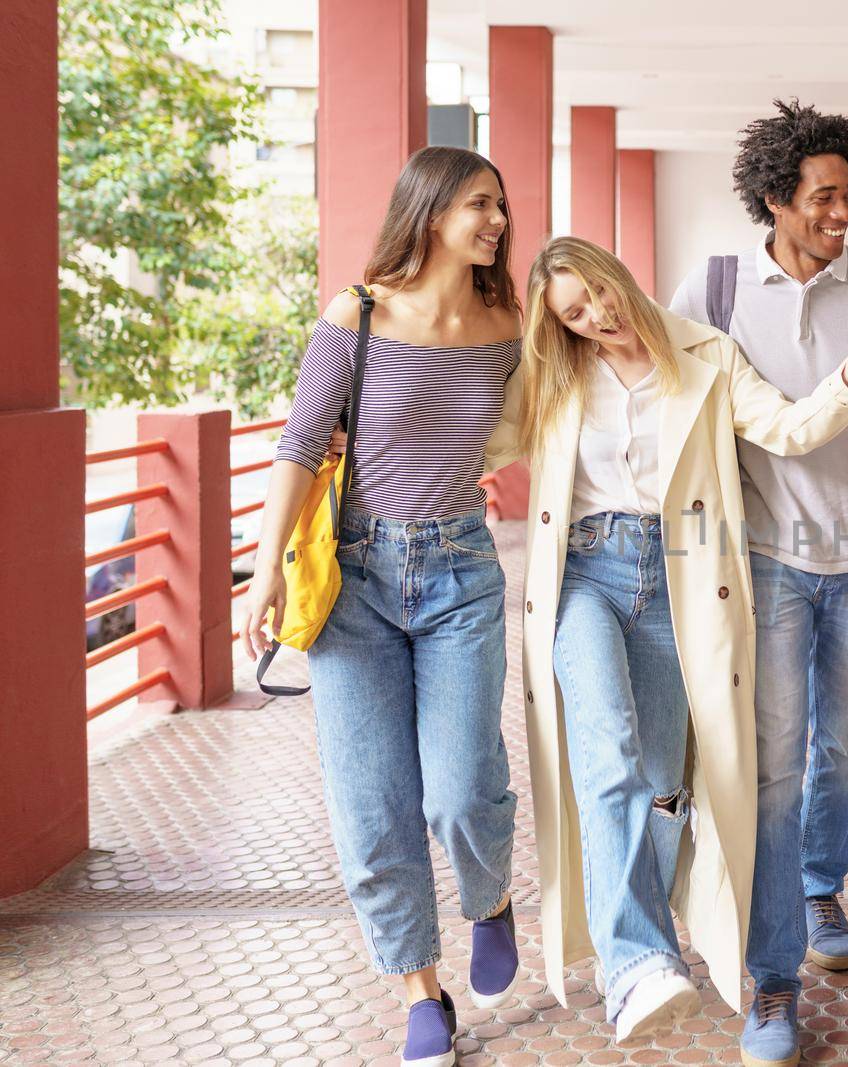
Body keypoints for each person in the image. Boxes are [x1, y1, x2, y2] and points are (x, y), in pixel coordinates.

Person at [489, 236, 848, 1049]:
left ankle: (670, 926)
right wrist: (358, 446)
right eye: (574, 314)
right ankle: (637, 963)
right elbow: (481, 446)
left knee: (661, 781)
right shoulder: (553, 372)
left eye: (599, 295)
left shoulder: (704, 353)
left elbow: (782, 428)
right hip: (583, 576)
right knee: (603, 753)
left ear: (618, 274)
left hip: (678, 577)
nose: (597, 317)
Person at [668, 99, 848, 1067]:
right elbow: (671, 404)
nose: (842, 210)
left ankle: (821, 882)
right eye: (823, 195)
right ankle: (772, 975)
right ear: (775, 199)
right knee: (777, 763)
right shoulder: (713, 290)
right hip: (770, 563)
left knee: (847, 747)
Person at [240, 146, 524, 1067]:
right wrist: (265, 567)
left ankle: (488, 895)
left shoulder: (507, 324)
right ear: (430, 209)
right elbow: (298, 440)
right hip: (354, 578)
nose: (495, 221)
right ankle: (421, 990)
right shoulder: (357, 314)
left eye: (500, 207)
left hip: (459, 573)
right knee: (373, 806)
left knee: (458, 788)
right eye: (479, 204)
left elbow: (561, 416)